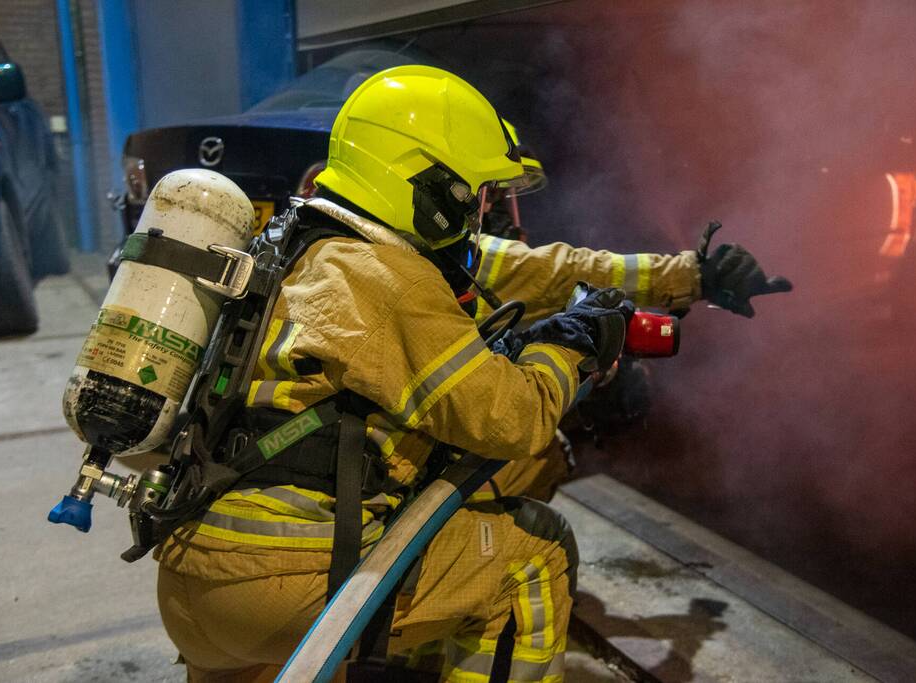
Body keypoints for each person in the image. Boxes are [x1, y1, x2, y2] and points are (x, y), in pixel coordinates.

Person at [155, 65, 790, 683]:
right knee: (532, 555)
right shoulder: (389, 279)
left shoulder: (302, 243)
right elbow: (512, 419)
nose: (481, 211)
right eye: (474, 192)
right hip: (279, 582)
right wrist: (568, 344)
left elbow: (547, 271)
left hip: (193, 580)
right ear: (428, 184)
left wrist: (691, 276)